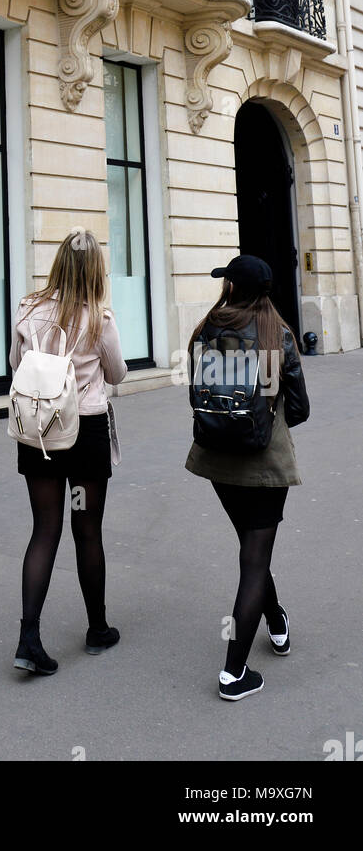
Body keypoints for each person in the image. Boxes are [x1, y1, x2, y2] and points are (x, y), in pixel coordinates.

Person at [185, 254, 310, 702]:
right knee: (254, 560)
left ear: (232, 287)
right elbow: (300, 408)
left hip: (217, 460)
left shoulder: (205, 331)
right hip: (263, 463)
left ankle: (275, 621)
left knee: (253, 550)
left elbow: (196, 393)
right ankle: (233, 673)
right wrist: (267, 417)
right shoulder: (277, 335)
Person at [10, 230, 127, 675]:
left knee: (44, 531)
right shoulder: (100, 319)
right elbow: (116, 373)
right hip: (85, 431)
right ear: (96, 269)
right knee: (87, 531)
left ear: (59, 263)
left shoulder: (28, 309)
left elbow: (15, 365)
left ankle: (28, 638)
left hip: (39, 431)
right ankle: (97, 629)